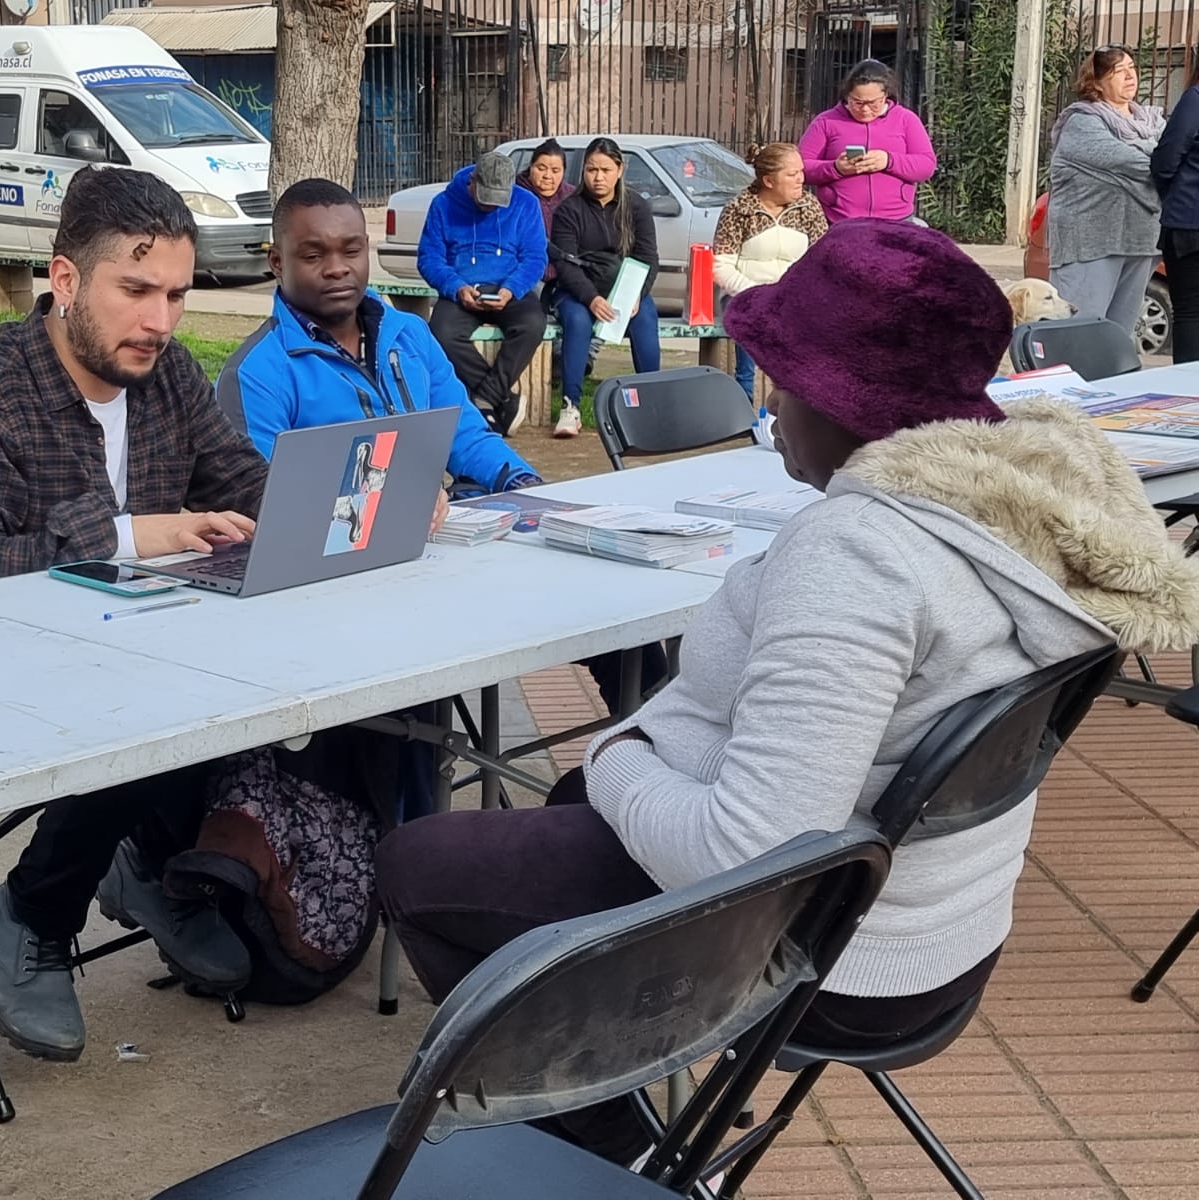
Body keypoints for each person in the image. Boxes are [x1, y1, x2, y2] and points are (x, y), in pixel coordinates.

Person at [375, 219, 1199, 1164]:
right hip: (939, 927)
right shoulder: (1022, 511)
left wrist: (616, 753)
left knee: (421, 865)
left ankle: (620, 1151)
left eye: (777, 373)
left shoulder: (860, 554)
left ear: (833, 396)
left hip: (829, 952)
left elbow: (745, 850)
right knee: (563, 814)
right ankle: (635, 1089)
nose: (766, 399)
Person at [0, 167, 270, 1063]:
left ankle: (153, 864)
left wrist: (358, 497)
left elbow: (241, 481)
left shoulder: (167, 373)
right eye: (136, 290)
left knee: (271, 668)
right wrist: (131, 534)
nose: (162, 321)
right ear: (65, 281)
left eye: (178, 295)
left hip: (131, 644)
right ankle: (32, 913)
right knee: (147, 697)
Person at [216, 177, 540, 499]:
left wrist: (525, 483)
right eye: (313, 256)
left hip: (433, 539)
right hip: (328, 543)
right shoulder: (255, 375)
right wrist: (399, 502)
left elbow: (464, 434)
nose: (337, 269)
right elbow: (267, 500)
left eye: (352, 251)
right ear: (277, 262)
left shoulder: (411, 336)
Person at [417, 151, 550, 437]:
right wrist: (456, 287)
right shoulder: (443, 204)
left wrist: (511, 289)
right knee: (440, 332)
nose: (491, 206)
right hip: (462, 286)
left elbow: (535, 257)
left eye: (498, 199)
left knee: (533, 324)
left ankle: (485, 398)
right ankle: (500, 400)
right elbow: (429, 257)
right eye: (486, 197)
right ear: (473, 182)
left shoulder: (526, 203)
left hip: (509, 287)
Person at [1047, 46, 1165, 338]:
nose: (1129, 75)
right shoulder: (1081, 121)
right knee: (1078, 336)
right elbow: (1137, 161)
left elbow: (1172, 159)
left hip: (1140, 240)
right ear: (1096, 82)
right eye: (1117, 70)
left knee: (1117, 340)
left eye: (1132, 67)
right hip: (1091, 243)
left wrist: (1164, 156)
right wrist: (1162, 155)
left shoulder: (1151, 121)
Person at [548, 137, 660, 439]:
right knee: (577, 320)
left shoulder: (636, 206)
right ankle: (570, 405)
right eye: (591, 170)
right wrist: (591, 298)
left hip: (625, 287)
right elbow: (566, 264)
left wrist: (638, 292)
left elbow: (648, 257)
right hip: (577, 289)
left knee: (646, 317)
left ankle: (653, 402)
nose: (598, 177)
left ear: (620, 169)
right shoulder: (569, 210)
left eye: (606, 170)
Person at [711, 141, 829, 398]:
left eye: (801, 171)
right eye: (792, 174)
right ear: (769, 181)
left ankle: (801, 406)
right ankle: (746, 403)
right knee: (753, 318)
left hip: (794, 296)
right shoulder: (738, 210)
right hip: (745, 293)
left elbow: (821, 261)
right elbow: (720, 266)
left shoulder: (809, 207)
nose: (801, 179)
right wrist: (757, 293)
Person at [798, 59, 935, 224]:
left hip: (896, 219)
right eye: (857, 102)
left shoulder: (906, 119)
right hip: (839, 220)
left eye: (873, 103)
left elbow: (926, 165)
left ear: (886, 96)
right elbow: (801, 167)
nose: (865, 109)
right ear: (847, 96)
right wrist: (835, 168)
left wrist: (889, 161)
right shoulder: (826, 121)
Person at [1152, 66, 1199, 361]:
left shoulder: (1195, 99)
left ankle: (1188, 396)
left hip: (1188, 221)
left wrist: (1167, 192)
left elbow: (1165, 160)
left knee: (1190, 313)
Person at [516, 138, 576, 306]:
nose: (548, 176)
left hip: (565, 278)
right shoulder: (516, 195)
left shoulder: (572, 197)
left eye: (555, 170)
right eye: (541, 168)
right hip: (526, 277)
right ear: (531, 167)